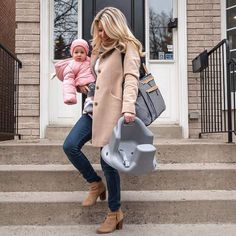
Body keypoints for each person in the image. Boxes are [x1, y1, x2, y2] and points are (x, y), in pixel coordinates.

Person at [63, 7, 143, 234]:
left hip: (114, 112)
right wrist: (83, 86)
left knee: (108, 162)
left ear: (115, 26)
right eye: (98, 30)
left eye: (105, 29)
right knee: (70, 145)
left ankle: (114, 212)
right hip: (92, 110)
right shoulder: (97, 49)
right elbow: (96, 80)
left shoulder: (128, 47)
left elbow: (131, 79)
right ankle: (95, 183)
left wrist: (128, 108)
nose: (102, 34)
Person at [59, 39, 95, 114]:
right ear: (72, 53)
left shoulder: (90, 61)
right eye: (76, 52)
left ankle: (91, 104)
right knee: (91, 89)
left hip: (93, 82)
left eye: (82, 52)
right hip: (84, 84)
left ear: (86, 53)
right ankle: (89, 104)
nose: (79, 54)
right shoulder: (71, 65)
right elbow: (68, 81)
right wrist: (69, 97)